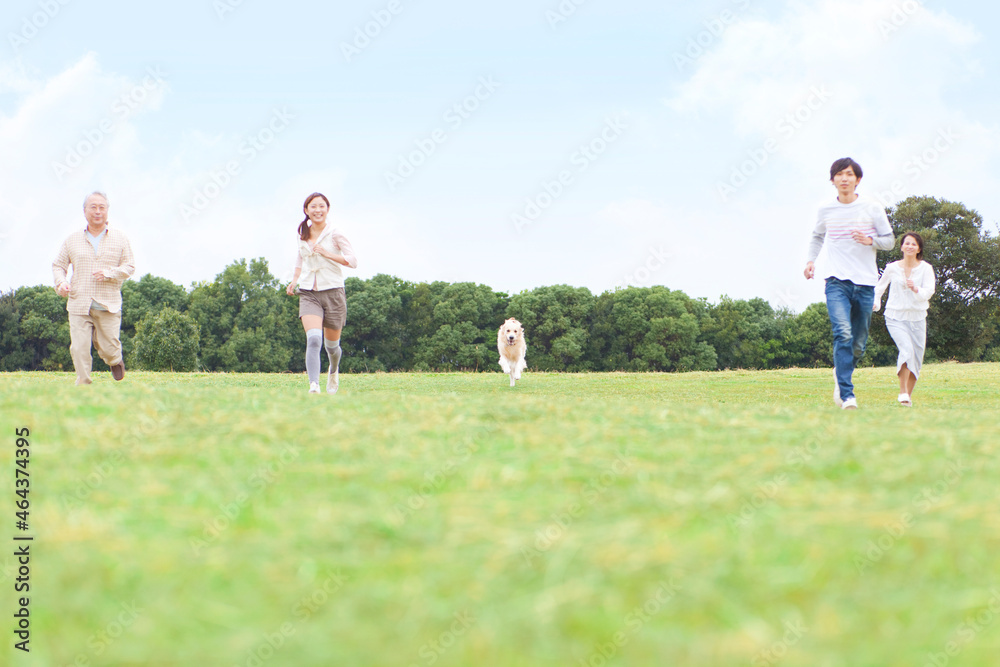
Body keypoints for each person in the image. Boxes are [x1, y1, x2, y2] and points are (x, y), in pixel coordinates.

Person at [804, 158, 894, 409]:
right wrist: (811, 260)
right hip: (836, 281)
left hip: (866, 283)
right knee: (842, 333)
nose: (844, 178)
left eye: (849, 174)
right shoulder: (825, 209)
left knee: (858, 344)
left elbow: (889, 241)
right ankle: (847, 395)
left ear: (858, 179)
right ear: (832, 180)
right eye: (839, 174)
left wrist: (870, 240)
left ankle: (840, 371)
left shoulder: (872, 208)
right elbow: (817, 235)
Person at [52, 191, 135, 385]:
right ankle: (84, 385)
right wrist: (61, 282)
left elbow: (130, 267)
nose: (97, 211)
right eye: (93, 207)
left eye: (101, 207)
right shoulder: (72, 240)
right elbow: (58, 265)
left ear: (107, 211)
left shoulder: (120, 239)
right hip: (79, 304)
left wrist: (109, 272)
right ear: (85, 211)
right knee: (79, 348)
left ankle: (114, 360)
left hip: (108, 305)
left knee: (108, 348)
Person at [285, 192, 357, 394]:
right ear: (306, 210)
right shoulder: (303, 234)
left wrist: (328, 254)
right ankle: (314, 385)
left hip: (333, 292)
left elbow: (353, 261)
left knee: (332, 347)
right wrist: (294, 281)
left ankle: (333, 371)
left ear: (327, 209)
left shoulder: (335, 233)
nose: (317, 210)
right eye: (313, 207)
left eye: (321, 206)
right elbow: (300, 259)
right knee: (314, 338)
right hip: (309, 293)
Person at [873, 232, 935, 406]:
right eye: (906, 243)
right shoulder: (892, 267)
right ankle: (902, 392)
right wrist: (876, 303)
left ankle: (907, 397)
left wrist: (916, 288)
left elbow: (929, 292)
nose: (909, 246)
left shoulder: (925, 268)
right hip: (895, 316)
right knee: (906, 349)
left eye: (913, 244)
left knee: (916, 359)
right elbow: (879, 288)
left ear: (919, 249)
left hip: (917, 318)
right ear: (901, 247)